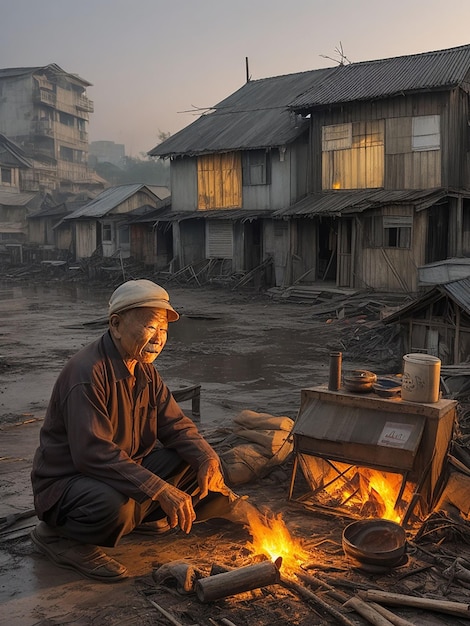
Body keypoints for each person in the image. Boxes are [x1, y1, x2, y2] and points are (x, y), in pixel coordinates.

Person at [30, 279, 233, 583]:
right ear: (116, 325)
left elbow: (176, 426)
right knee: (117, 507)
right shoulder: (88, 372)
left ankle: (142, 517)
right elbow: (93, 454)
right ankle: (59, 538)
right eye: (151, 327)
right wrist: (159, 489)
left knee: (195, 463)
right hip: (69, 483)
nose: (159, 339)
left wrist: (207, 458)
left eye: (164, 330)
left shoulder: (145, 370)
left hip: (119, 471)